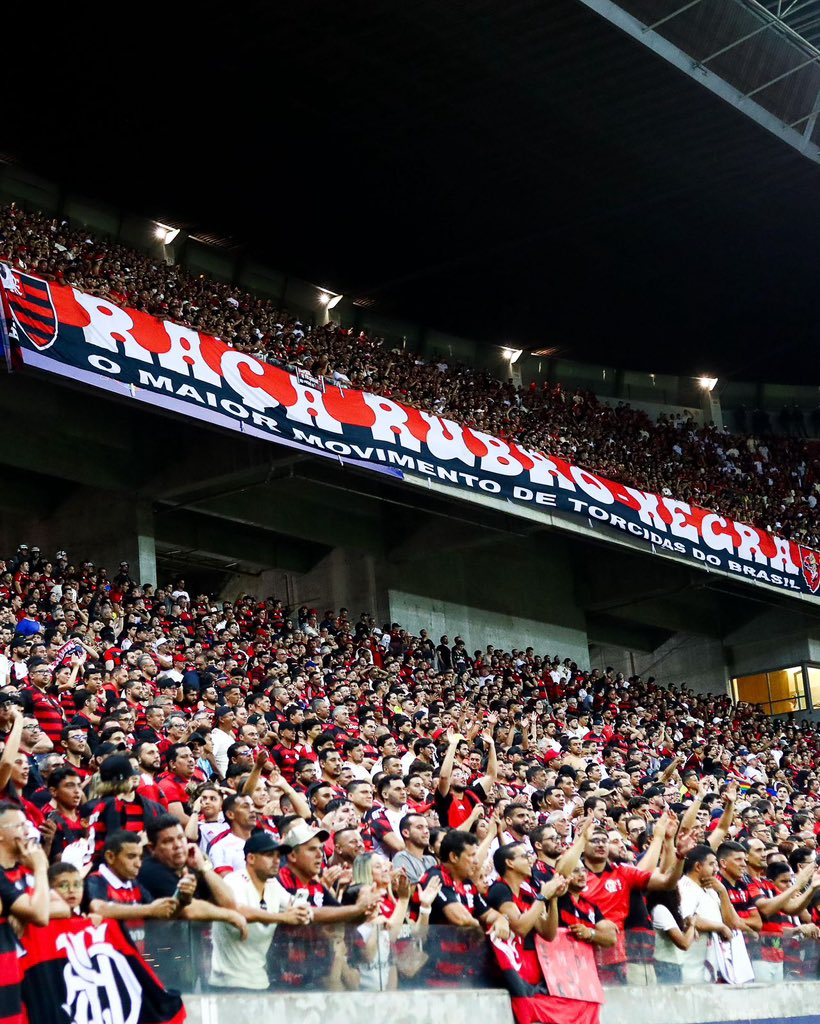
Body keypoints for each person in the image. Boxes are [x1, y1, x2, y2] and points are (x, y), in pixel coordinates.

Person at [210, 832, 313, 990]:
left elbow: (294, 905)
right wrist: (284, 918)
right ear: (251, 859)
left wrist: (303, 909)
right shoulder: (234, 880)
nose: (277, 861)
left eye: (278, 856)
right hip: (228, 983)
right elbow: (238, 911)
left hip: (259, 980)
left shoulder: (272, 884)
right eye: (269, 855)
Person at [0, 802, 50, 1024]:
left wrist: (21, 911)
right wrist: (40, 867)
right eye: (19, 825)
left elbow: (59, 906)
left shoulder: (21, 870)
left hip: (15, 978)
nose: (27, 831)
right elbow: (40, 914)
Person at [392, 813, 436, 884]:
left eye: (427, 827)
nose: (426, 831)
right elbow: (411, 891)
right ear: (406, 833)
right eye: (419, 827)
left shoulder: (431, 860)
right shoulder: (401, 858)